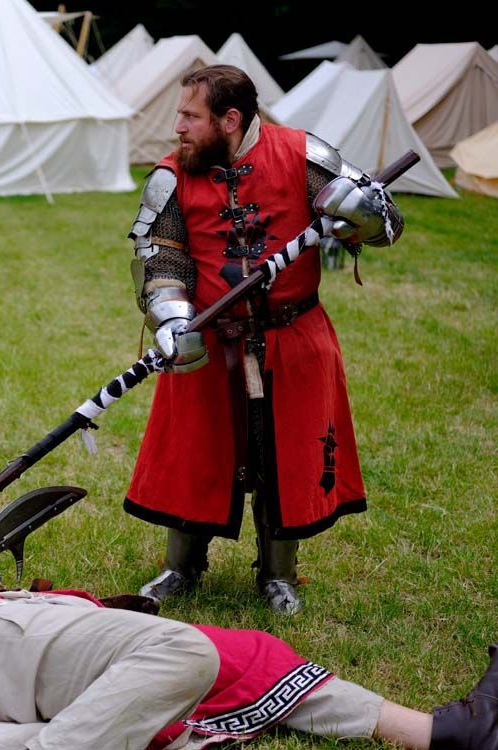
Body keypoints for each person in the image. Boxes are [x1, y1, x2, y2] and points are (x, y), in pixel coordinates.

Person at [0, 498, 496, 750]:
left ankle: (445, 732)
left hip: (24, 628)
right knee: (184, 652)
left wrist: (81, 608)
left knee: (250, 652)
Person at [124, 64, 406, 614]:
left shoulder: (303, 156)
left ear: (230, 119)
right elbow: (161, 253)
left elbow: (388, 223)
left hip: (293, 335)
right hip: (209, 338)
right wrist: (172, 316)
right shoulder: (173, 174)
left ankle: (279, 575)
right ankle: (181, 567)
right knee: (195, 450)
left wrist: (362, 217)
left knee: (288, 455)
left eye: (190, 116)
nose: (178, 127)